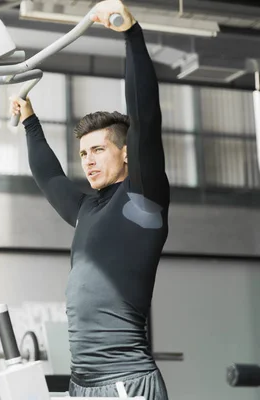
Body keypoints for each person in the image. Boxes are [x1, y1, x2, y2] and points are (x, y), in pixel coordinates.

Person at [11, 1, 170, 399]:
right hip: (83, 385)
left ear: (127, 152)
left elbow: (145, 117)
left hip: (125, 381)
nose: (89, 160)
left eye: (98, 149)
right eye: (83, 154)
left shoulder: (142, 199)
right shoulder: (85, 210)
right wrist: (30, 122)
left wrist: (131, 35)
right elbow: (49, 176)